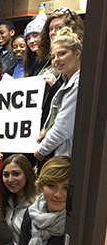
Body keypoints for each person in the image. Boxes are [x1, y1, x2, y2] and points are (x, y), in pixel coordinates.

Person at [10, 156, 71, 245]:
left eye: (66, 187)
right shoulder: (32, 214)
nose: (58, 194)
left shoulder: (74, 226)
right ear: (42, 186)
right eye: (51, 185)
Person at [34, 27, 82, 161]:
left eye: (62, 54)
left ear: (77, 53)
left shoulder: (78, 84)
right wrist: (45, 130)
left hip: (69, 156)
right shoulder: (67, 81)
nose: (56, 60)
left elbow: (63, 127)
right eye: (53, 57)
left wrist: (41, 151)